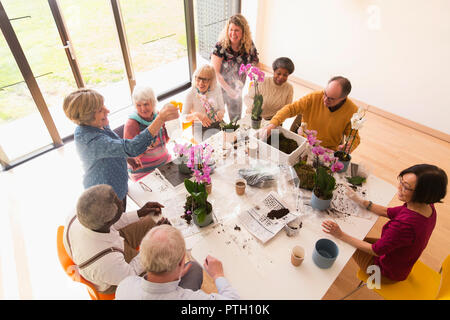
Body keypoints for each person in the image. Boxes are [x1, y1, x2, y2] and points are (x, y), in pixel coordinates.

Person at [322, 164, 447, 282]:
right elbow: (387, 211)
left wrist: (340, 235)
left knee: (345, 242)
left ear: (423, 193)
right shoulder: (427, 207)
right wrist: (360, 201)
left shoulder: (405, 225)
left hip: (384, 271)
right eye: (401, 181)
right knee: (356, 235)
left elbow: (376, 251)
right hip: (400, 259)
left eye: (406, 187)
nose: (399, 187)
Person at [63, 88, 179, 208]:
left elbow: (114, 144)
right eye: (100, 110)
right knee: (116, 221)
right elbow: (132, 147)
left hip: (119, 185)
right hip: (106, 198)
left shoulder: (98, 124)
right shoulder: (90, 141)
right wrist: (160, 119)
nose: (107, 110)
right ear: (88, 117)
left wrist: (126, 156)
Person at [63, 184, 171, 294]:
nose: (120, 199)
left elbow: (113, 221)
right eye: (118, 202)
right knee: (166, 265)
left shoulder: (81, 212)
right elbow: (131, 274)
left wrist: (139, 213)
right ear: (109, 221)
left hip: (110, 247)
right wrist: (151, 244)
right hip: (116, 277)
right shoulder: (106, 263)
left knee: (151, 221)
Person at [115, 225, 240, 300]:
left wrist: (177, 274)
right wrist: (218, 275)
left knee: (194, 268)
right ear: (181, 263)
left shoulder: (125, 285)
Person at [262, 76, 360, 153]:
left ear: (343, 98)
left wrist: (349, 146)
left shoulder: (352, 110)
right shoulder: (314, 97)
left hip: (328, 150)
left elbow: (354, 136)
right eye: (325, 94)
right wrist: (273, 124)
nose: (325, 100)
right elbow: (291, 109)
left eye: (331, 98)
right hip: (304, 143)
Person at [211, 13, 259, 123]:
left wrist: (255, 80)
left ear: (243, 32)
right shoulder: (221, 46)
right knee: (216, 119)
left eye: (236, 30)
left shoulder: (248, 45)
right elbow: (215, 73)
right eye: (231, 29)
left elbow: (256, 63)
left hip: (237, 89)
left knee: (236, 120)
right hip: (220, 88)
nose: (233, 33)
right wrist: (229, 90)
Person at [124, 85, 171, 181]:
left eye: (146, 104)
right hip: (143, 171)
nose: (143, 109)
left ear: (153, 102)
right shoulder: (132, 123)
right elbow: (130, 155)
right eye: (138, 105)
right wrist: (147, 146)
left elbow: (166, 139)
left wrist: (171, 127)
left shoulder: (158, 115)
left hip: (164, 162)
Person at [182, 65, 225, 141]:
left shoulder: (216, 88)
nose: (201, 83)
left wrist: (221, 113)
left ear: (211, 80)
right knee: (212, 148)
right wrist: (197, 115)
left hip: (217, 122)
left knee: (232, 138)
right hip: (199, 128)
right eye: (198, 78)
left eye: (205, 80)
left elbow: (222, 108)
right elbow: (183, 118)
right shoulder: (190, 94)